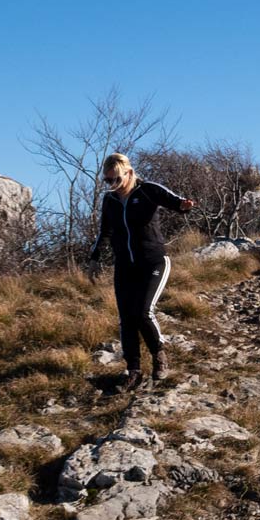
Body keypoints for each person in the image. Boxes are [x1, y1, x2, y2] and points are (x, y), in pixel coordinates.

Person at [87, 152, 195, 388]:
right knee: (126, 318)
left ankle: (159, 355)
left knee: (143, 311)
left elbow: (174, 201)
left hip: (153, 262)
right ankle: (133, 371)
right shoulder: (110, 200)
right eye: (107, 181)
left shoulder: (147, 190)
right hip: (125, 265)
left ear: (129, 173)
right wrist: (94, 260)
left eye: (116, 179)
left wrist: (183, 206)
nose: (112, 185)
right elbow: (104, 232)